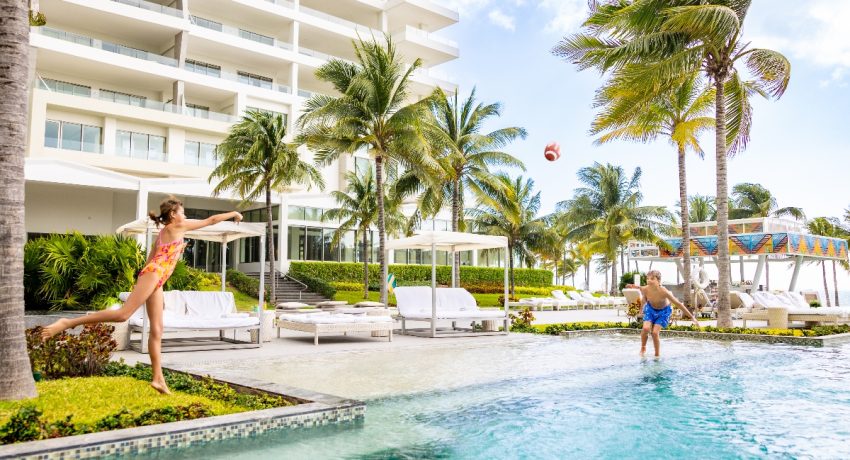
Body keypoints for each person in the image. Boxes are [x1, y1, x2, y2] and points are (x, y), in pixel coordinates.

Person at [41, 196, 243, 394]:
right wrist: (233, 213)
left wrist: (147, 280)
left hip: (157, 278)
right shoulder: (177, 227)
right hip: (154, 275)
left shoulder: (166, 231)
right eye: (183, 212)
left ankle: (158, 379)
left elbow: (150, 259)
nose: (186, 215)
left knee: (157, 329)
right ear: (173, 215)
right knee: (122, 314)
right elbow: (211, 220)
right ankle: (67, 323)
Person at [625, 270, 699, 357]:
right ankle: (643, 347)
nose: (649, 280)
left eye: (652, 279)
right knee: (645, 328)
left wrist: (692, 317)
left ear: (659, 281)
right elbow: (642, 294)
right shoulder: (645, 289)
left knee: (655, 333)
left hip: (664, 312)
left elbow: (678, 304)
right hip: (650, 309)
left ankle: (657, 355)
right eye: (647, 279)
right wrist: (631, 287)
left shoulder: (664, 292)